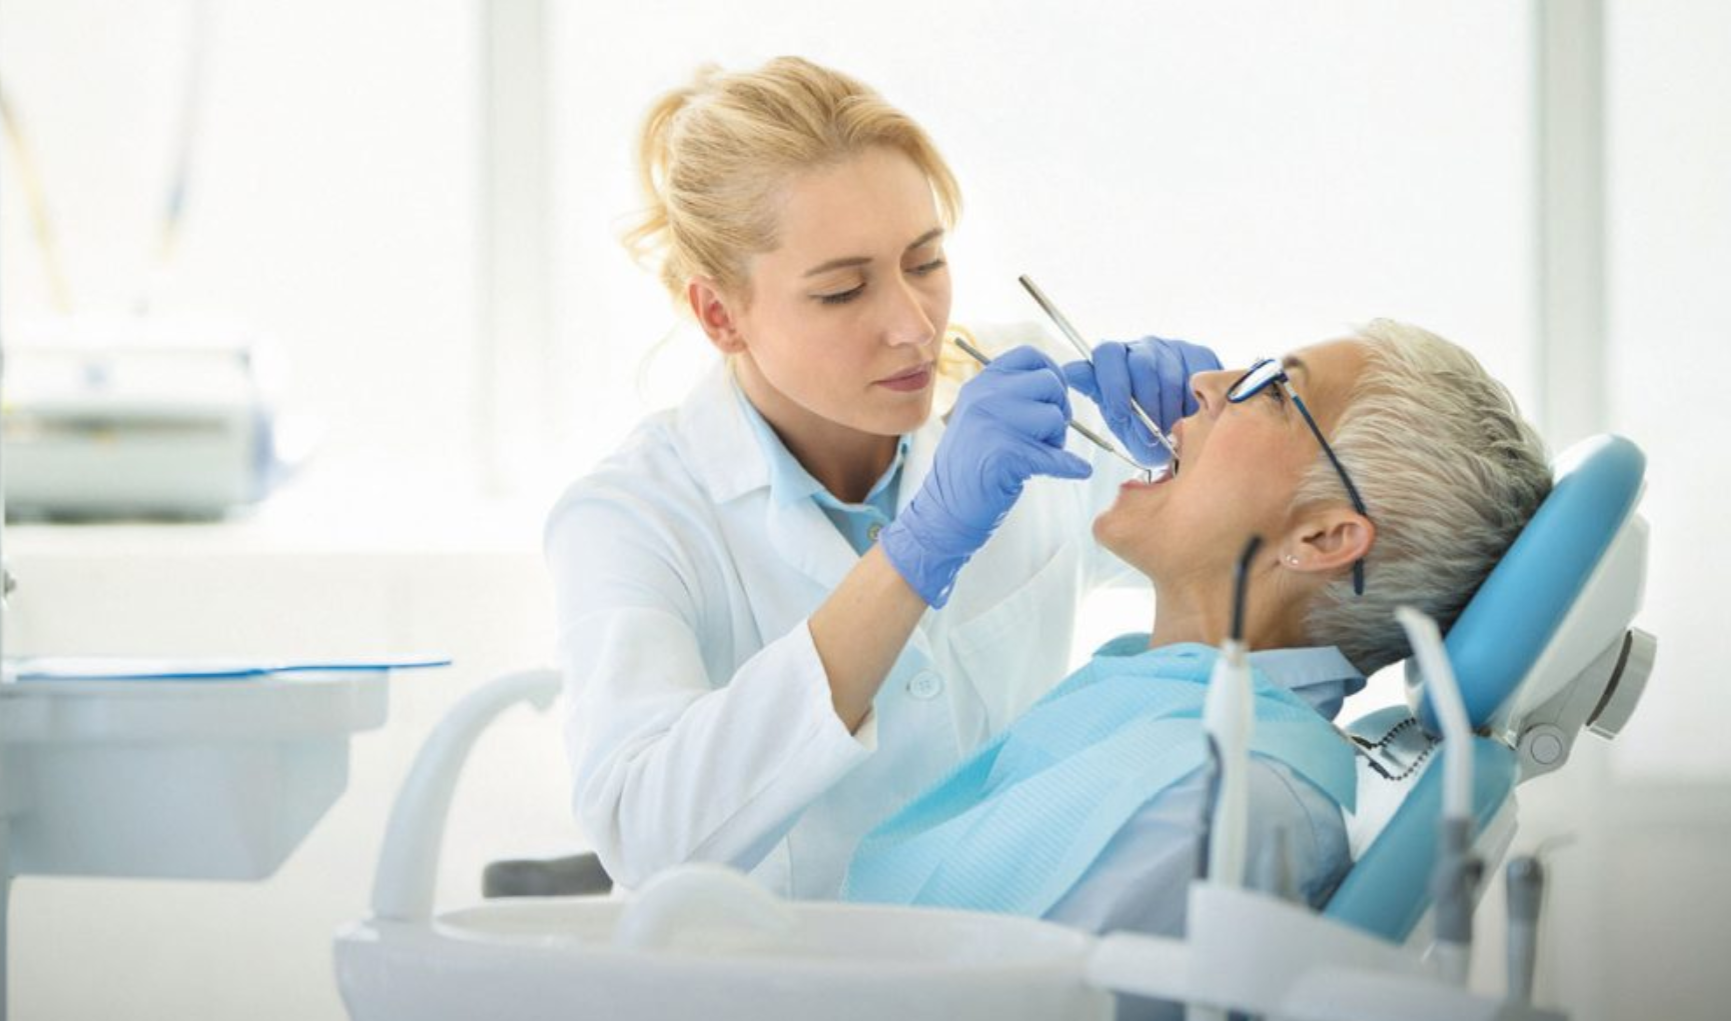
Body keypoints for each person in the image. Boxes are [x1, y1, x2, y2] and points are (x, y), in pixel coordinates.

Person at [545, 56, 1219, 898]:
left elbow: (1261, 557)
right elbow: (646, 836)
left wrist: (1207, 441)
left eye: (925, 262)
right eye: (841, 291)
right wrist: (917, 551)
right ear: (721, 315)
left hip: (1003, 957)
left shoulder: (1019, 398)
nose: (913, 326)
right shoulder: (635, 515)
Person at [843, 321, 1551, 977]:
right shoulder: (1165, 710)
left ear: (1323, 539)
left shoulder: (1218, 801)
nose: (1206, 384)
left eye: (1272, 391)